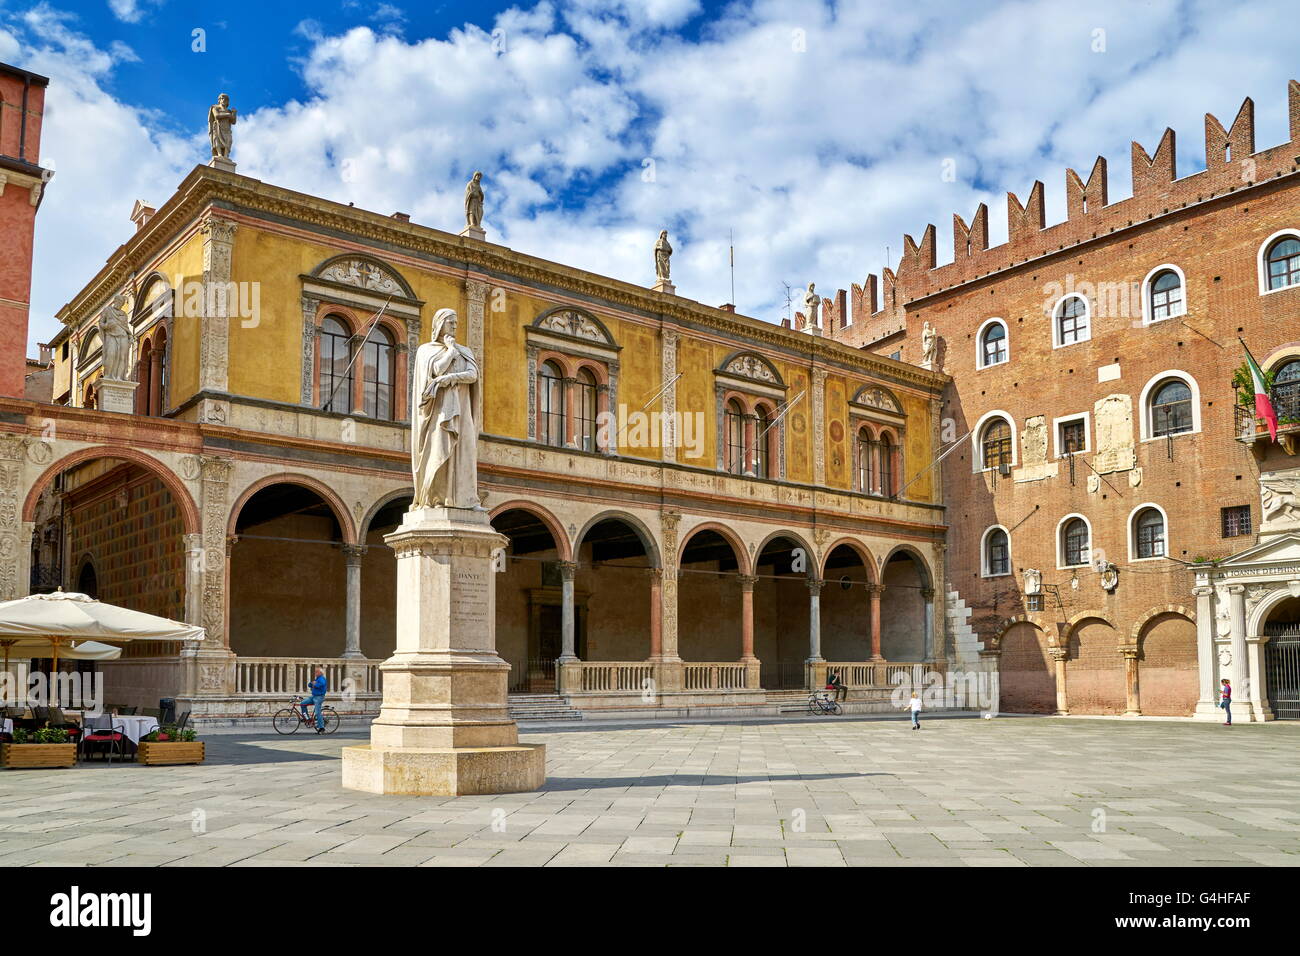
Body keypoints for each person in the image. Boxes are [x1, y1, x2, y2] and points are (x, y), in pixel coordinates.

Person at [300, 666, 327, 733]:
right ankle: (307, 719)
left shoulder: (322, 678)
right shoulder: (317, 679)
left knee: (317, 712)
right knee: (303, 703)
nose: (315, 673)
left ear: (320, 672)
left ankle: (321, 728)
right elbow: (309, 684)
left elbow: (321, 684)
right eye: (315, 671)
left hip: (319, 697)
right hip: (314, 696)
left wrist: (315, 684)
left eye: (317, 671)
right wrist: (313, 683)